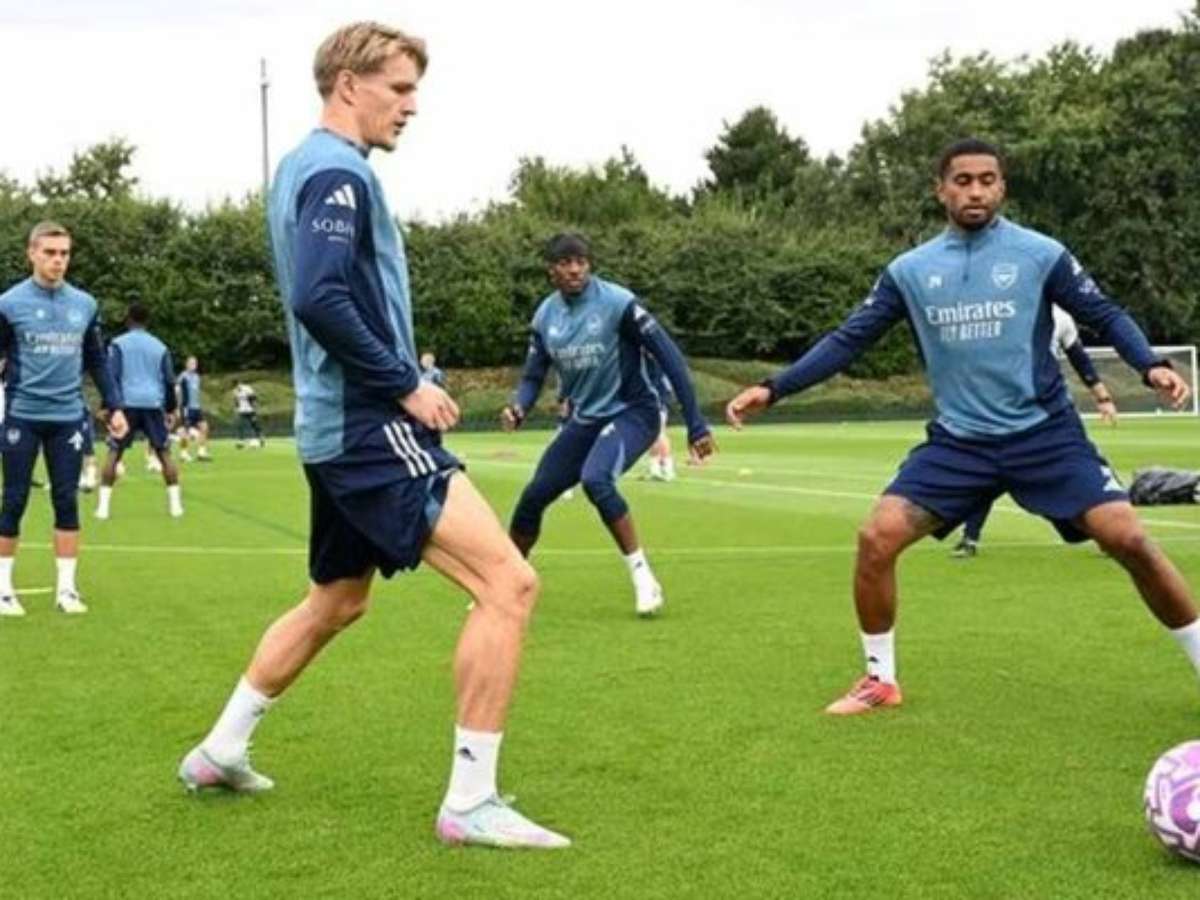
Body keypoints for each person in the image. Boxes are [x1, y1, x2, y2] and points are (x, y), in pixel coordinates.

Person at [178, 21, 568, 850]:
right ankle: (470, 803)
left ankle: (219, 750)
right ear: (348, 84)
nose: (411, 105)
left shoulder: (302, 167)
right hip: (368, 425)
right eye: (399, 88)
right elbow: (319, 297)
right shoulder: (339, 173)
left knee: (337, 600)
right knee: (509, 584)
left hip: (333, 430)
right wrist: (405, 383)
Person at [726, 137, 1200, 716]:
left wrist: (1150, 364)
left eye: (987, 180)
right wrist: (774, 388)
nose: (976, 191)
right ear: (941, 189)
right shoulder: (910, 271)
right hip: (960, 445)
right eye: (963, 180)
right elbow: (849, 339)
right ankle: (879, 680)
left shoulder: (1040, 254)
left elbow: (1104, 312)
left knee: (1130, 539)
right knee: (876, 539)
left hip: (1045, 437)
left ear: (1002, 187)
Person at [502, 232, 716, 616]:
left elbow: (671, 359)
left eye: (581, 261)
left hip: (634, 412)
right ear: (551, 270)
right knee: (533, 497)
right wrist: (519, 407)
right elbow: (533, 375)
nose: (575, 269)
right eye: (565, 262)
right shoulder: (545, 316)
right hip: (586, 418)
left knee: (596, 479)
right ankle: (506, 587)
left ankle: (644, 579)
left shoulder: (618, 303)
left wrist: (695, 423)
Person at [0, 221, 127, 617]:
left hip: (68, 417)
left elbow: (97, 360)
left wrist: (115, 405)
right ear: (32, 253)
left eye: (64, 253)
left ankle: (67, 590)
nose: (58, 260)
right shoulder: (9, 304)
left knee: (66, 500)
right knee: (14, 500)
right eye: (50, 253)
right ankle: (3, 590)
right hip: (22, 415)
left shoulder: (84, 304)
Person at [952, 305, 1118, 557]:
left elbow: (1079, 359)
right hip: (1001, 408)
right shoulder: (1003, 309)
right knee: (986, 471)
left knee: (1083, 470)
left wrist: (1102, 397)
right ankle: (970, 537)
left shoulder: (1061, 317)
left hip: (1052, 412)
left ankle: (1108, 536)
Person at [96, 303, 183, 519]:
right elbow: (169, 380)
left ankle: (103, 508)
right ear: (147, 321)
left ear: (128, 319)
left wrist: (107, 406)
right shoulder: (160, 346)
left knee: (114, 452)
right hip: (153, 403)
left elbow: (112, 376)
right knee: (163, 452)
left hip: (126, 404)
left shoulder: (118, 344)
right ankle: (175, 506)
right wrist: (171, 408)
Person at [643, 353, 677, 482]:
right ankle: (656, 468)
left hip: (656, 399)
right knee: (656, 434)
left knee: (659, 433)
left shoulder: (653, 363)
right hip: (658, 399)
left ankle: (666, 469)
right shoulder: (660, 361)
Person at [176, 355, 212, 462]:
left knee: (204, 427)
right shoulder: (183, 376)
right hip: (187, 407)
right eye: (191, 363)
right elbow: (177, 391)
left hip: (196, 408)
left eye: (195, 363)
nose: (193, 365)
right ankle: (183, 453)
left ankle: (201, 452)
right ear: (186, 364)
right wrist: (178, 406)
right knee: (185, 430)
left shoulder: (197, 377)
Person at [233, 380, 265, 447]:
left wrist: (255, 409)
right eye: (235, 386)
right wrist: (236, 409)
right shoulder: (235, 391)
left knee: (255, 424)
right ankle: (240, 441)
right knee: (240, 425)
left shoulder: (247, 389)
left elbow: (254, 399)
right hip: (242, 411)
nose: (237, 387)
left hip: (250, 410)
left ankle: (261, 438)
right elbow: (236, 401)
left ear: (240, 383)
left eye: (238, 385)